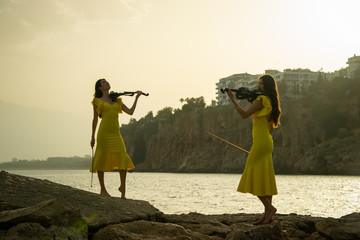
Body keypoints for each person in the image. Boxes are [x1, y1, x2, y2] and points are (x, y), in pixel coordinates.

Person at [226, 74, 281, 225]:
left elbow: (244, 114)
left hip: (261, 142)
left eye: (262, 84)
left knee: (251, 174)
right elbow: (270, 129)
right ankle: (267, 216)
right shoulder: (271, 102)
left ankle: (269, 208)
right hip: (266, 141)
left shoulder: (261, 100)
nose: (258, 86)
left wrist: (232, 98)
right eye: (258, 83)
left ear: (268, 86)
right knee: (265, 176)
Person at [90, 78, 143, 198]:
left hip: (115, 134)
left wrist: (136, 98)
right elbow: (95, 119)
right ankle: (103, 189)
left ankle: (123, 190)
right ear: (100, 87)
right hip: (103, 133)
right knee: (101, 159)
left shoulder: (117, 99)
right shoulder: (97, 101)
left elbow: (130, 112)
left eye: (106, 81)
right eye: (103, 82)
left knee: (123, 158)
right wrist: (92, 136)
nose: (106, 82)